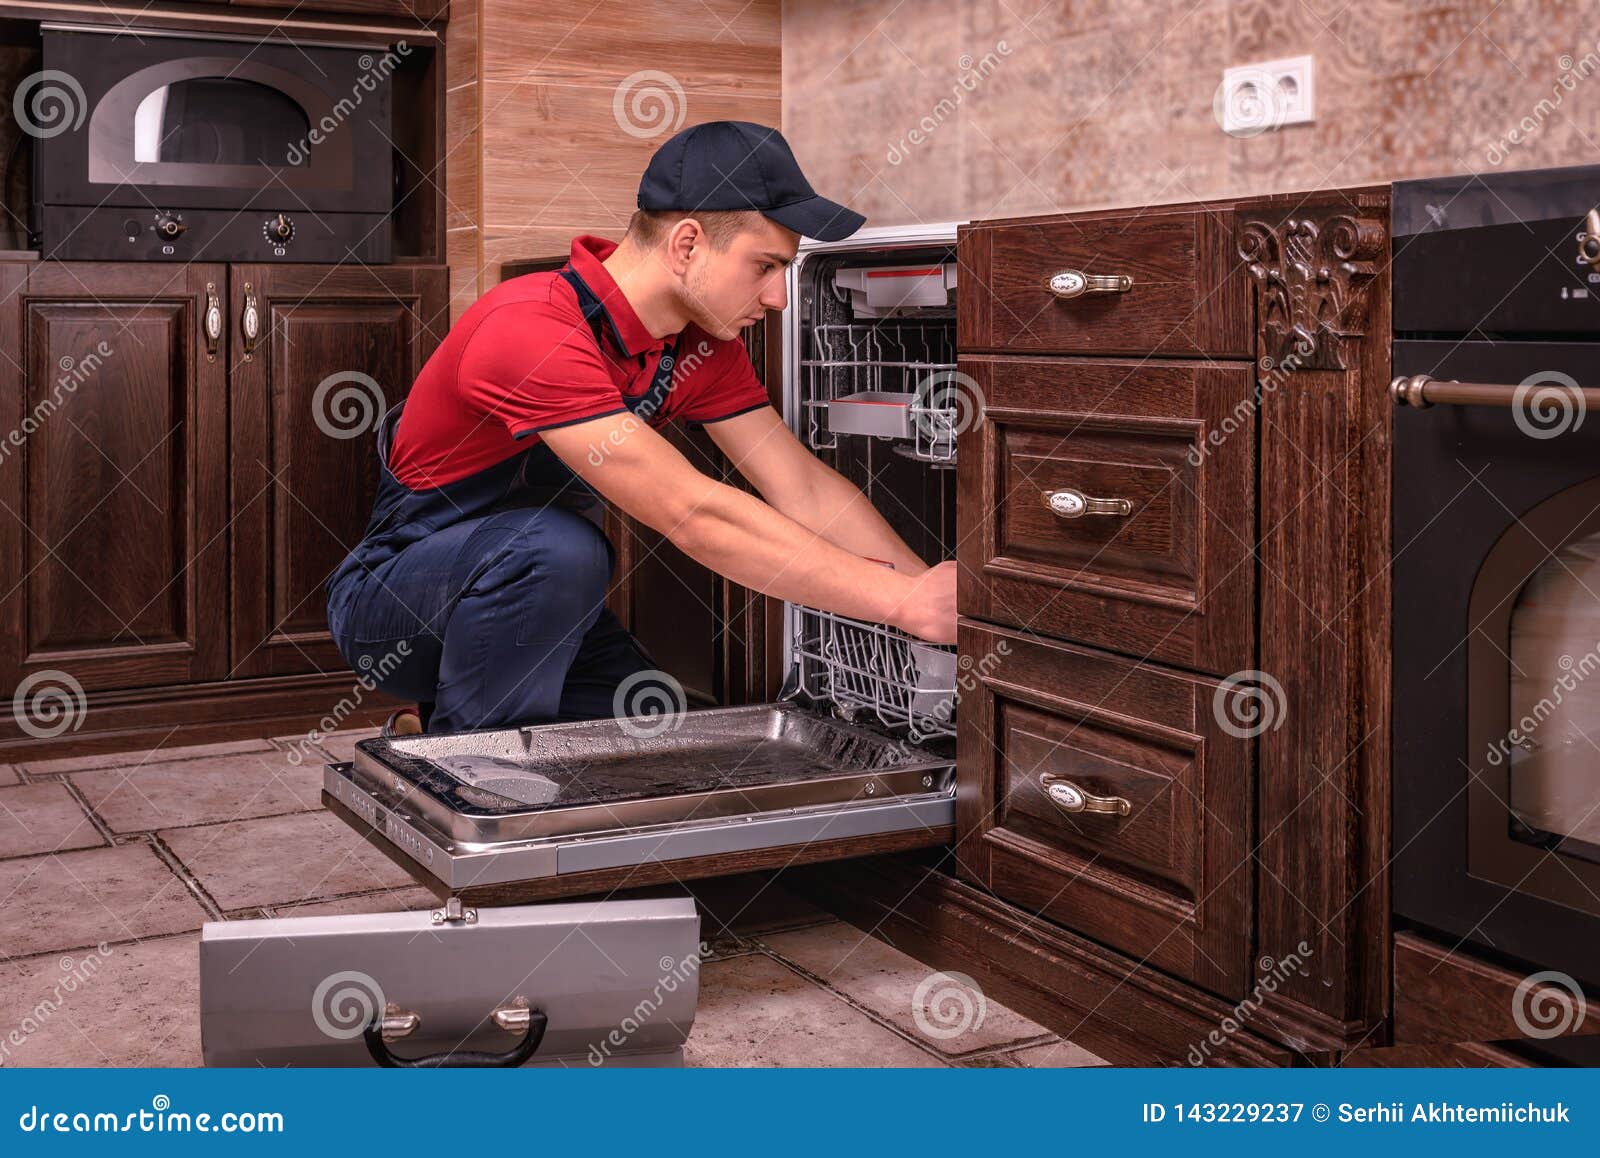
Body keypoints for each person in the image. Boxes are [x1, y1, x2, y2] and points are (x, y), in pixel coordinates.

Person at [325, 120, 957, 735]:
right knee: (557, 550)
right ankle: (464, 766)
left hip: (541, 607)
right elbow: (693, 514)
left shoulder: (701, 346)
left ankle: (426, 728)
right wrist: (896, 604)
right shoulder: (529, 327)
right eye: (765, 267)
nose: (778, 299)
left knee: (656, 731)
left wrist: (927, 595)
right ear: (687, 244)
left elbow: (802, 488)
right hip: (398, 607)